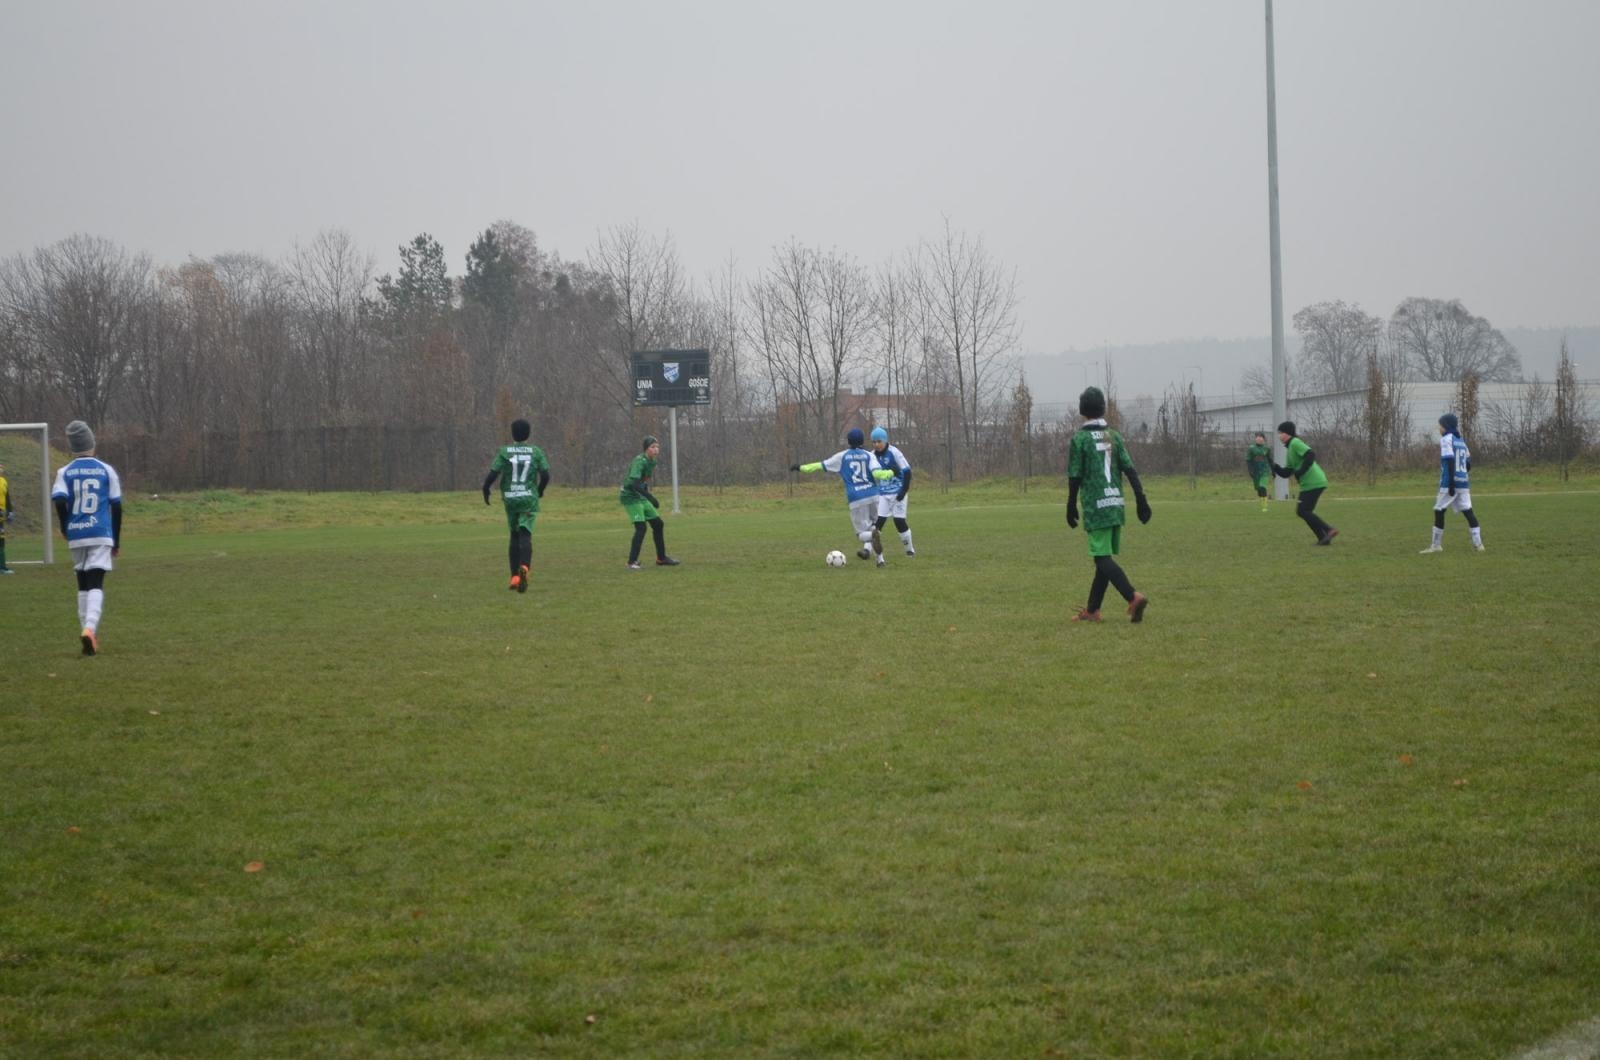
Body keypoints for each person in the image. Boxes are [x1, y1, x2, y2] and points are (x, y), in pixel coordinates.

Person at [1066, 387, 1151, 623]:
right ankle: (1093, 610)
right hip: (1115, 504)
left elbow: (1074, 476)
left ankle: (1132, 596)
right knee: (1102, 558)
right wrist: (1141, 499)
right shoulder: (1114, 436)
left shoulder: (1080, 439)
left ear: (1082, 410)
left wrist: (1070, 504)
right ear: (1103, 408)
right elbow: (1130, 470)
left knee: (1101, 558)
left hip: (1096, 507)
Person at [50, 420, 122, 655]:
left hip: (77, 533)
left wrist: (65, 526)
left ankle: (87, 633)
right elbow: (117, 506)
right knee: (95, 582)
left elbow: (59, 500)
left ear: (72, 447)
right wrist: (116, 540)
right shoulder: (106, 470)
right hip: (100, 532)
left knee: (82, 582)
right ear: (92, 443)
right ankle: (90, 629)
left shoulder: (64, 472)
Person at [790, 427, 897, 567]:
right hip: (873, 495)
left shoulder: (842, 456)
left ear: (848, 441)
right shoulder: (869, 455)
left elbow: (821, 465)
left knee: (862, 534)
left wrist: (801, 467)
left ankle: (872, 538)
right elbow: (878, 474)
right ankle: (880, 560)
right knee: (874, 527)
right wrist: (891, 472)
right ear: (862, 441)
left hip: (856, 498)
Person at [482, 418, 550, 592]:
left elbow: (493, 473)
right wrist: (540, 490)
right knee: (525, 534)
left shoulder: (505, 451)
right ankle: (525, 567)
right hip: (528, 499)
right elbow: (545, 475)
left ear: (512, 433)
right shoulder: (536, 451)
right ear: (529, 433)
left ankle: (514, 577)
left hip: (511, 498)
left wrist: (486, 488)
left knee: (514, 535)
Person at [1420, 412, 1484, 553]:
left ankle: (1436, 545)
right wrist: (1461, 473)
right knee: (1468, 511)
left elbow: (1449, 460)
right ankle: (1478, 544)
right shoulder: (1461, 441)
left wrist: (1450, 484)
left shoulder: (1446, 439)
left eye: (1441, 426)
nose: (1439, 428)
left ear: (1447, 426)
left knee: (1439, 510)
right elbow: (1468, 465)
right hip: (1463, 483)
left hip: (1450, 481)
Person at [1273, 421, 1338, 545]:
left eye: (1281, 433)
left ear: (1288, 433)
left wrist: (1301, 471)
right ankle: (1323, 539)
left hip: (1314, 481)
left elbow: (1310, 454)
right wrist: (1274, 466)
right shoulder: (1290, 448)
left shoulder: (1295, 442)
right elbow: (1287, 473)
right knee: (1305, 511)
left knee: (1303, 511)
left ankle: (1328, 530)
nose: (1279, 435)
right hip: (1309, 483)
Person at [620, 436, 679, 570]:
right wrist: (651, 498)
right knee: (641, 528)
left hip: (640, 495)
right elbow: (634, 484)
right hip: (630, 496)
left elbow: (643, 481)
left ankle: (661, 558)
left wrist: (646, 494)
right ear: (646, 449)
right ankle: (631, 562)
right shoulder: (639, 461)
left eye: (657, 447)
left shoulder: (652, 461)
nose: (656, 449)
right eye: (653, 447)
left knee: (658, 524)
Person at [869, 426, 916, 556]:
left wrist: (903, 490)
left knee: (899, 521)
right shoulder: (871, 456)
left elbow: (907, 471)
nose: (876, 444)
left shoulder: (894, 452)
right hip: (882, 494)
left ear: (885, 441)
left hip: (897, 492)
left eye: (879, 441)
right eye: (874, 442)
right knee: (878, 522)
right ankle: (870, 550)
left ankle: (909, 550)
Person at [1246, 432, 1271, 511]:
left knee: (1263, 486)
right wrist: (1250, 470)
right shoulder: (1251, 448)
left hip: (1264, 471)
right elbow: (1248, 460)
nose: (1259, 438)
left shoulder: (1267, 448)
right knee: (1259, 489)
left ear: (1263, 439)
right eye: (1257, 437)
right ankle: (1262, 504)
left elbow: (1270, 460)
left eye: (1260, 437)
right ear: (1255, 439)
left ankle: (1265, 506)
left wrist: (1274, 470)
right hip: (1256, 472)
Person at [0, 460, 13, 573]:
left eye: (1, 467)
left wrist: (10, 511)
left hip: (1, 516)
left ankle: (2, 566)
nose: (1, 469)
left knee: (2, 540)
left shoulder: (4, 481)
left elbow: (7, 498)